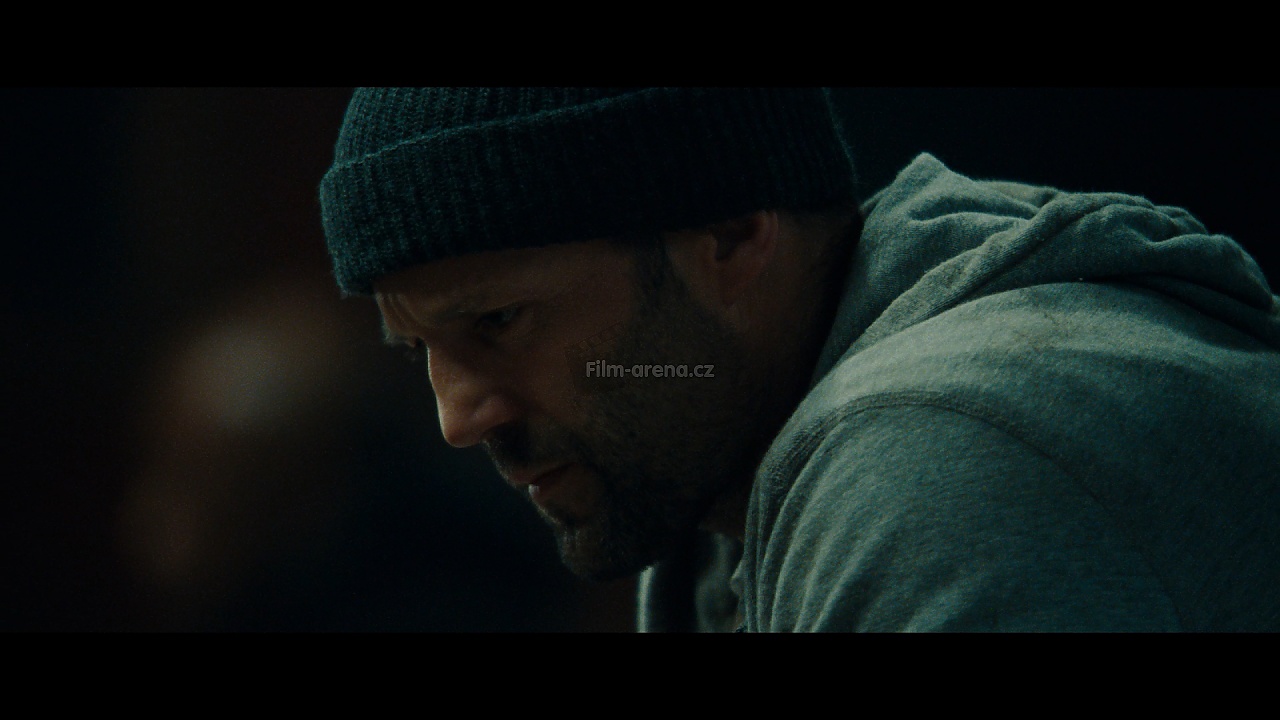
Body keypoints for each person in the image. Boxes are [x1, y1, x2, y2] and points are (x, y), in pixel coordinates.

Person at [319, 88, 1280, 631]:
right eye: (420, 351)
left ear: (732, 234)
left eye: (499, 321)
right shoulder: (715, 486)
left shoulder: (941, 466)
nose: (459, 418)